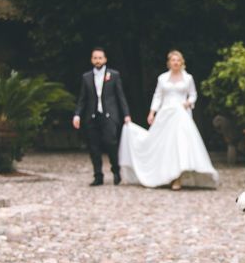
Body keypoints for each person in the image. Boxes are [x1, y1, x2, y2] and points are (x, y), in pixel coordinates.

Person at [118, 50, 218, 190]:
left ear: (181, 62)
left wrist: (188, 103)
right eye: (173, 60)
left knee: (178, 145)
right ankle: (163, 175)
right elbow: (158, 96)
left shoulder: (187, 78)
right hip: (165, 114)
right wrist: (152, 112)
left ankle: (177, 177)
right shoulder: (163, 78)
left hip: (181, 115)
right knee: (163, 145)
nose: (175, 62)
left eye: (178, 60)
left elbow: (193, 95)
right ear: (169, 62)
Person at [73, 47, 131, 186]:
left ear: (105, 59)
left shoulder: (114, 75)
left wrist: (126, 114)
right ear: (91, 60)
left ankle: (116, 170)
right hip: (91, 116)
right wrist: (77, 115)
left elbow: (120, 96)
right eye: (95, 58)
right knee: (93, 146)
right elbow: (83, 98)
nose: (98, 60)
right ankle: (98, 175)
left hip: (109, 114)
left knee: (110, 142)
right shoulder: (86, 77)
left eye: (100, 58)